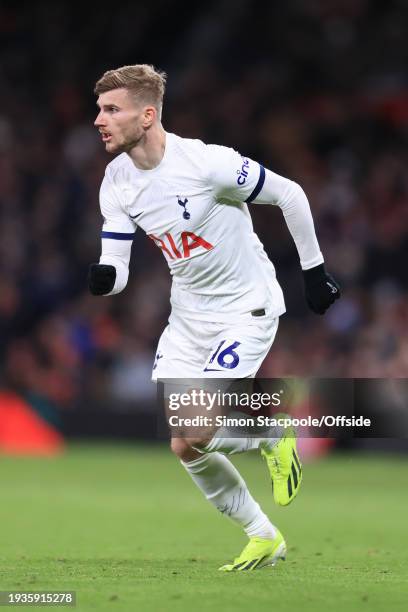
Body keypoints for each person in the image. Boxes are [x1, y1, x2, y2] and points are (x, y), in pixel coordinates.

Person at [89, 64, 340, 571]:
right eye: (99, 109)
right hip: (187, 318)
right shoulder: (116, 179)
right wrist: (104, 279)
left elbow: (290, 193)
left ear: (147, 115)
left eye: (111, 109)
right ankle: (262, 535)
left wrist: (314, 273)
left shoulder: (206, 164)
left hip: (245, 310)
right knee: (183, 443)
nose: (100, 119)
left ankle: (272, 435)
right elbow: (115, 266)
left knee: (198, 427)